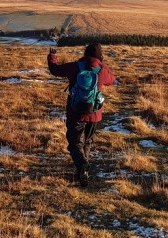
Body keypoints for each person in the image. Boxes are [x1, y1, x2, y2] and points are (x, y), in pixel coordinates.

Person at [48, 43, 117, 187]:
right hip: (94, 113)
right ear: (100, 55)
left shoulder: (75, 66)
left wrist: (52, 56)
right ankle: (83, 170)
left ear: (85, 53)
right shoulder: (102, 69)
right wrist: (103, 66)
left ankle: (82, 166)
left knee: (74, 143)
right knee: (88, 141)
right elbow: (112, 80)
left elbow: (55, 70)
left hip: (75, 112)